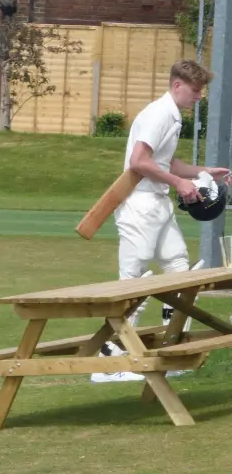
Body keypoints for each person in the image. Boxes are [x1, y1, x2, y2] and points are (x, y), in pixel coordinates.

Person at [91, 59, 231, 384]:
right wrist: (178, 183)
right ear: (178, 85)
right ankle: (109, 361)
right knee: (134, 281)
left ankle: (172, 351)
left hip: (156, 203)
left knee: (179, 269)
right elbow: (139, 162)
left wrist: (202, 172)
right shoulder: (159, 113)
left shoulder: (173, 115)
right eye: (195, 91)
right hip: (139, 205)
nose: (199, 97)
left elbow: (165, 161)